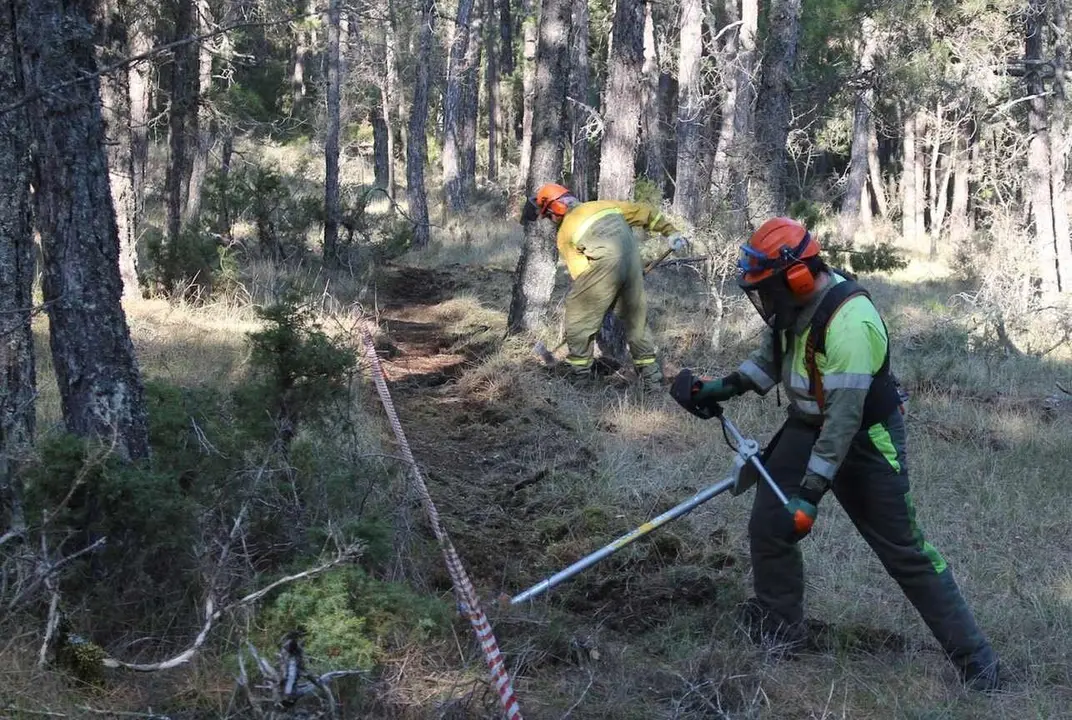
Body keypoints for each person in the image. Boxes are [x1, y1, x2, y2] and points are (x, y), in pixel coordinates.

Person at [670, 217, 1001, 692]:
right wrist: (719, 388)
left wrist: (808, 497)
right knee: (769, 524)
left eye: (767, 289)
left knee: (905, 553)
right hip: (809, 424)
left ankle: (979, 663)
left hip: (865, 440)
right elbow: (772, 359)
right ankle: (780, 628)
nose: (762, 301)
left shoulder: (851, 323)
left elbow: (842, 424)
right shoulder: (790, 306)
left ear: (798, 277)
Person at [522, 183, 688, 388]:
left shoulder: (564, 233)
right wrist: (670, 232)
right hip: (633, 264)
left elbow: (581, 274)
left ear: (556, 207)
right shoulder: (605, 205)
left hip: (605, 267)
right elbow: (646, 212)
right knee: (636, 323)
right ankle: (652, 380)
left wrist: (598, 304)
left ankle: (580, 377)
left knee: (577, 315)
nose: (551, 219)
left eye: (548, 214)